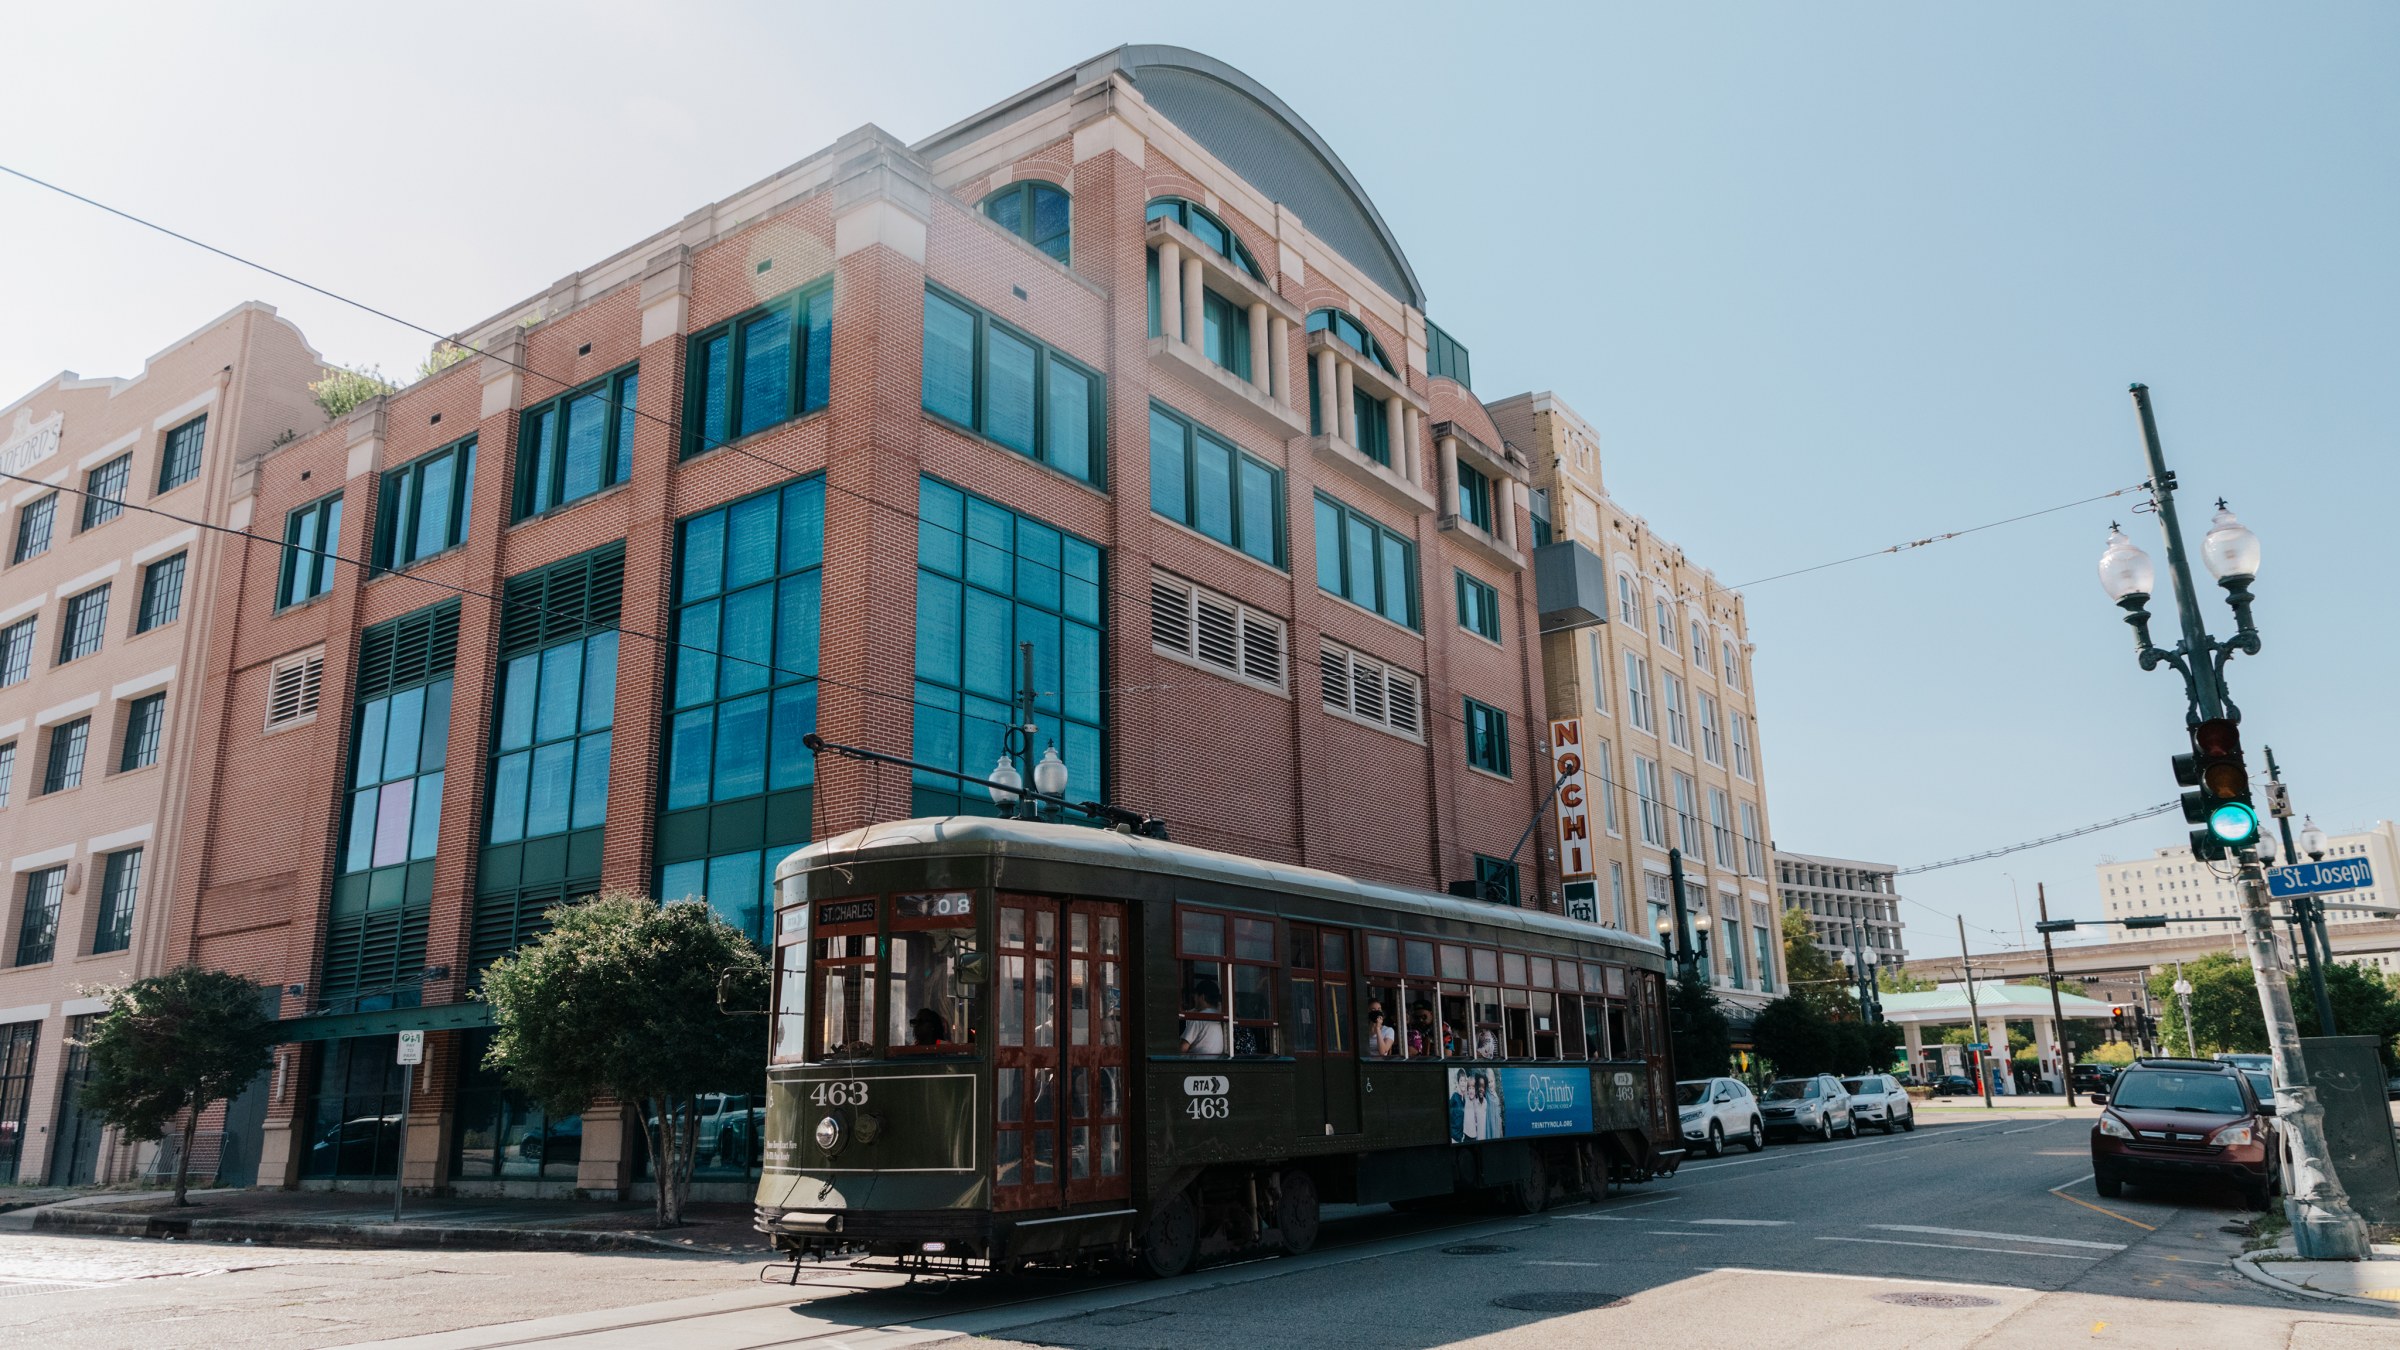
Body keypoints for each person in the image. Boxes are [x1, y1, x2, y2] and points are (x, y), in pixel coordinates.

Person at [1180, 974, 1227, 1055]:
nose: (1194, 999)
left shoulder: (1199, 1018)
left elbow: (1182, 1048)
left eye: (1195, 996)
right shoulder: (1219, 1015)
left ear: (1202, 997)